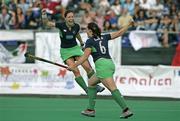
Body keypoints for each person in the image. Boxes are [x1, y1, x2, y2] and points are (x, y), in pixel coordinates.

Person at [68, 22, 134, 118]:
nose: (86, 31)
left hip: (102, 66)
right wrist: (128, 25)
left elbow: (85, 56)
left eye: (86, 29)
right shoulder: (104, 37)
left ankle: (126, 109)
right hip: (109, 64)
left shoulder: (89, 41)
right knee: (91, 82)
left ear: (90, 31)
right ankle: (90, 109)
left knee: (112, 88)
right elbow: (119, 33)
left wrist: (74, 65)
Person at [41, 9, 105, 93]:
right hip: (65, 51)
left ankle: (95, 85)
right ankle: (87, 89)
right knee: (75, 70)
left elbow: (77, 34)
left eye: (72, 17)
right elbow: (47, 23)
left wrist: (82, 43)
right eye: (69, 17)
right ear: (65, 18)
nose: (71, 18)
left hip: (75, 48)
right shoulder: (61, 25)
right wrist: (44, 15)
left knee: (88, 67)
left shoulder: (76, 26)